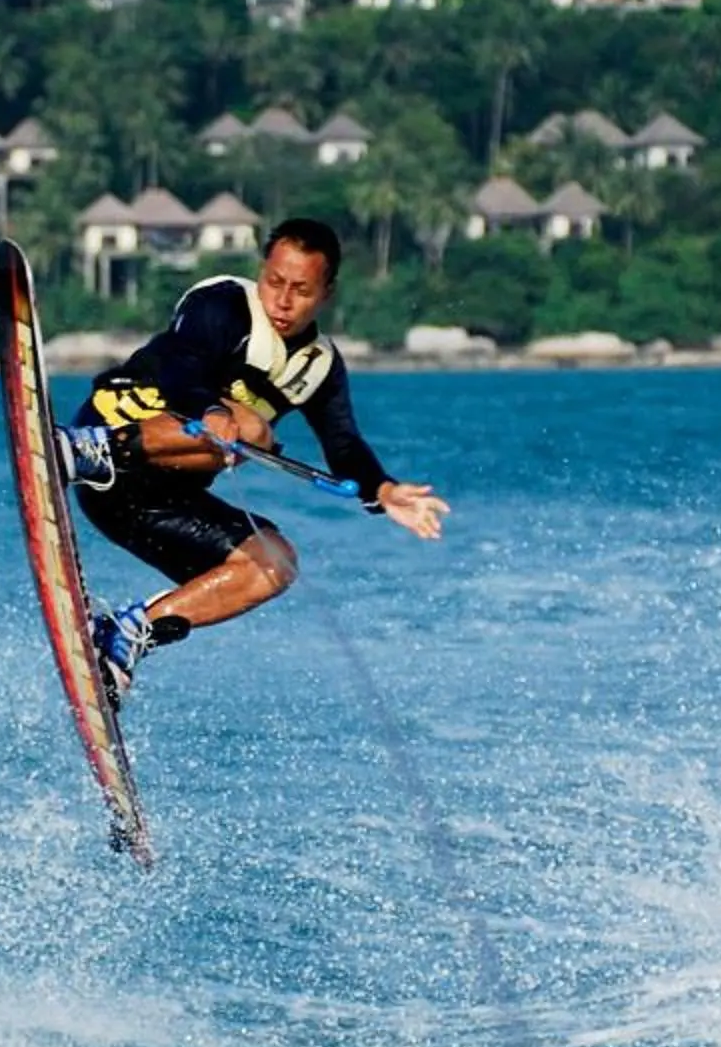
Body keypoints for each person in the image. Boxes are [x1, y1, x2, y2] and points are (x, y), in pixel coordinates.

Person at [55, 216, 450, 699]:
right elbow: (179, 364)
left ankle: (126, 636)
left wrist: (382, 490)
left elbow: (343, 444)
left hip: (149, 506)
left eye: (301, 290)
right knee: (254, 432)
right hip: (114, 432)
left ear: (326, 293)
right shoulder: (222, 303)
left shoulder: (321, 367)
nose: (282, 300)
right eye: (274, 281)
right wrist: (212, 410)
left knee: (274, 563)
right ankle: (86, 450)